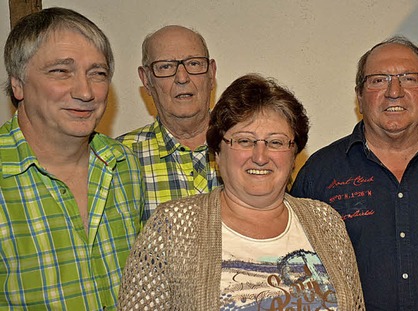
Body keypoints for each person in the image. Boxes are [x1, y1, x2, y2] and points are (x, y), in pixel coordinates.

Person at [117, 74, 365, 310]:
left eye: (276, 142)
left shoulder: (326, 222)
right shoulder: (172, 226)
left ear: (293, 155)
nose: (260, 156)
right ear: (217, 152)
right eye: (244, 141)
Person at [291, 36, 418, 310]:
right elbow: (296, 270)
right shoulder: (320, 172)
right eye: (378, 80)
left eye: (409, 78)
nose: (394, 91)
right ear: (360, 97)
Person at [0, 7, 144, 309]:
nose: (85, 91)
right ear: (18, 84)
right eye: (61, 71)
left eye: (98, 74)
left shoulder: (125, 165)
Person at [117, 25, 221, 220]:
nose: (182, 77)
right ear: (146, 80)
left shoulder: (248, 147)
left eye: (194, 64)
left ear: (211, 73)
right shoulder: (119, 160)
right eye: (165, 66)